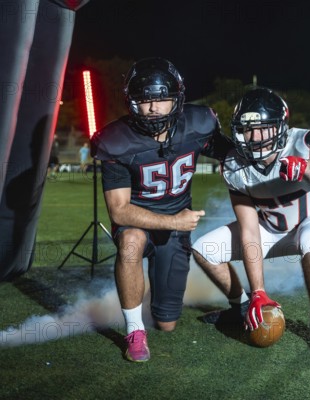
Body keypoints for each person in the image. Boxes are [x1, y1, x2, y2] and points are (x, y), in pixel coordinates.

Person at [91, 57, 231, 362]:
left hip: (174, 227)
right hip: (138, 219)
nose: (153, 108)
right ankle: (134, 331)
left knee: (167, 323)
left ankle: (164, 303)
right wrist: (174, 221)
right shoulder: (117, 140)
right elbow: (119, 212)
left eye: (162, 99)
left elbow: (229, 153)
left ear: (176, 99)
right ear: (131, 102)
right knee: (129, 244)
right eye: (144, 100)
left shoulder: (197, 124)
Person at [191, 87, 310, 356]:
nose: (256, 137)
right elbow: (249, 230)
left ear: (281, 127)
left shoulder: (306, 142)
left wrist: (305, 167)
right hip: (270, 230)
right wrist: (258, 292)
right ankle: (240, 308)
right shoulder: (234, 166)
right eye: (249, 129)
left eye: (264, 128)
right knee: (204, 249)